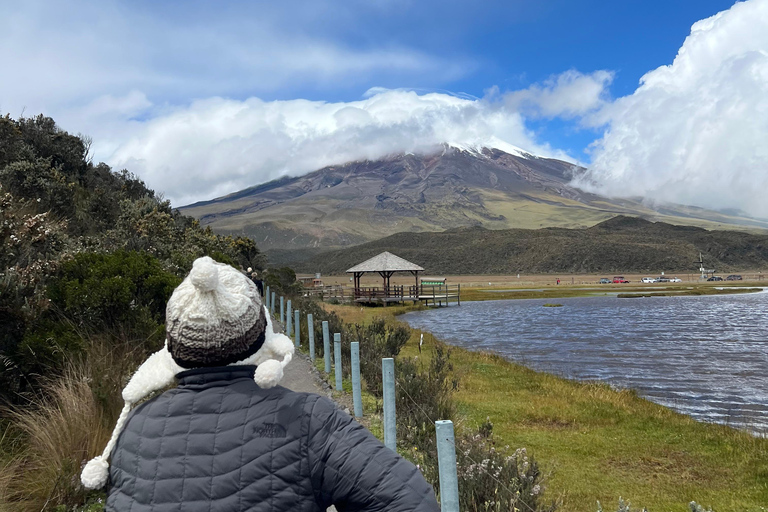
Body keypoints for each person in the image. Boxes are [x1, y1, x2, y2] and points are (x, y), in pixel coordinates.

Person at [81, 256, 439, 511]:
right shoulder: (308, 419)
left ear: (173, 348)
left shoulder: (134, 429)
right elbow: (411, 501)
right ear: (262, 336)